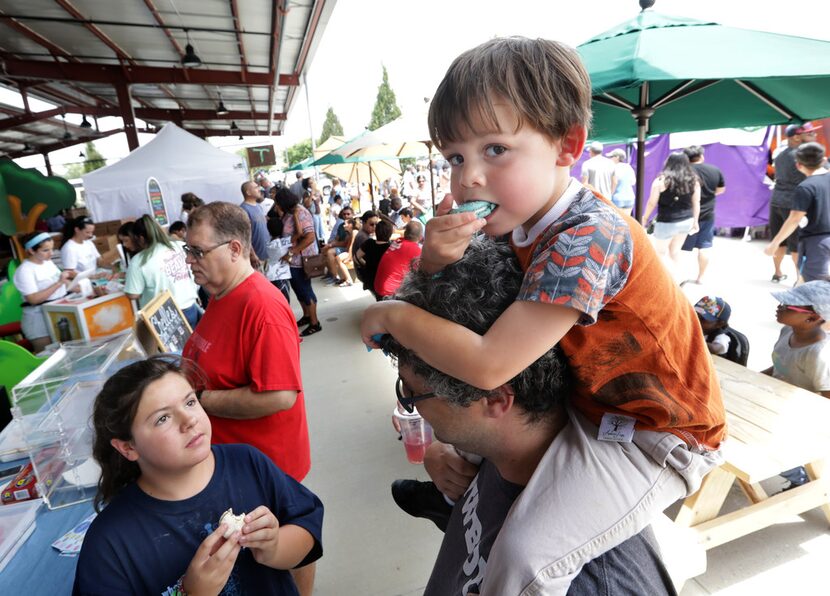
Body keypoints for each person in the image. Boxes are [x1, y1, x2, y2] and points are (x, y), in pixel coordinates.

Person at [361, 36, 723, 594]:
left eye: (495, 150)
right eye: (456, 157)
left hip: (657, 436)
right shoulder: (522, 222)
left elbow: (490, 365)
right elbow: (468, 306)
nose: (469, 178)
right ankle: (456, 499)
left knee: (524, 557)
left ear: (566, 146)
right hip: (591, 404)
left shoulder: (587, 237)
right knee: (474, 445)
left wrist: (393, 313)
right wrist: (433, 261)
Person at [381, 237, 676, 595]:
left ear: (494, 400)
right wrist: (443, 455)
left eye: (412, 394)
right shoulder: (504, 446)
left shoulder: (591, 581)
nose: (407, 407)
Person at [73, 356, 323, 595]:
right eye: (162, 419)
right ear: (128, 447)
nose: (189, 420)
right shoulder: (110, 542)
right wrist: (191, 593)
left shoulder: (246, 462)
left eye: (190, 402)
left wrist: (275, 547)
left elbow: (306, 530)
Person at [181, 201, 317, 593]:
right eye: (188, 251)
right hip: (236, 460)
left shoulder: (261, 305)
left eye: (198, 251)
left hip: (267, 465)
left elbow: (278, 396)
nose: (191, 261)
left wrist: (199, 401)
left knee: (285, 548)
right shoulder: (220, 295)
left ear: (235, 249)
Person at [762, 281, 830, 487]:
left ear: (813, 317)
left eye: (788, 305)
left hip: (798, 417)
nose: (780, 306)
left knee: (766, 448)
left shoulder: (819, 354)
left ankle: (801, 481)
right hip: (775, 403)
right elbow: (780, 366)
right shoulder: (787, 332)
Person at [764, 142, 830, 282]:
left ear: (798, 165)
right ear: (823, 160)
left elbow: (794, 219)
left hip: (816, 241)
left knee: (812, 285)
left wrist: (775, 243)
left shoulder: (805, 187)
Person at [124, 215, 201, 329]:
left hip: (163, 317)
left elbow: (133, 294)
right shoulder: (179, 246)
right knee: (192, 346)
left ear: (140, 238)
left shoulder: (138, 261)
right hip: (190, 307)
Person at [641, 152, 701, 273]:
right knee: (675, 251)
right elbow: (696, 202)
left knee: (660, 253)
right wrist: (695, 221)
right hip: (686, 221)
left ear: (668, 163)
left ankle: (661, 279)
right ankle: (678, 276)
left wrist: (645, 217)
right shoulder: (693, 181)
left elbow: (652, 202)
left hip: (666, 222)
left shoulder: (661, 181)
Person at [12, 232, 72, 352]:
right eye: (45, 250)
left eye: (52, 249)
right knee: (47, 357)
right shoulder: (25, 270)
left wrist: (79, 285)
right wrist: (59, 283)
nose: (51, 253)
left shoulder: (48, 263)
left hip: (56, 315)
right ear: (31, 250)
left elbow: (62, 284)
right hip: (38, 322)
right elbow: (33, 299)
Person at [274, 187, 322, 337]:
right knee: (298, 290)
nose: (276, 205)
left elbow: (310, 237)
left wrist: (292, 252)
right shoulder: (290, 213)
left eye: (277, 202)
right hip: (293, 261)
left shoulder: (301, 213)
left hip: (301, 260)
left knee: (305, 290)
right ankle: (307, 316)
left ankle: (315, 323)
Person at [681, 145, 726, 285]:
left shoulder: (683, 172)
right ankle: (701, 277)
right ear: (701, 156)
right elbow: (720, 190)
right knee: (704, 246)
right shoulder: (714, 170)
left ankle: (681, 276)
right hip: (707, 214)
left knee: (681, 248)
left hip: (686, 214)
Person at [693, 296, 748, 366]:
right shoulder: (695, 327)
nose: (697, 320)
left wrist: (695, 343)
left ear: (719, 324)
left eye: (702, 319)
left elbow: (716, 348)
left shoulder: (721, 337)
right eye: (695, 315)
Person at [373, 220, 423, 299]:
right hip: (390, 294)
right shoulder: (415, 249)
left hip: (378, 288)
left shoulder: (398, 241)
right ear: (420, 237)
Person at [355, 219, 393, 300]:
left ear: (376, 231)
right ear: (390, 233)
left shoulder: (369, 243)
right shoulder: (391, 248)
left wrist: (366, 264)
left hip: (369, 279)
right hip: (383, 281)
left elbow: (356, 258)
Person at [240, 180, 270, 263]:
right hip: (257, 258)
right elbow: (244, 235)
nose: (259, 189)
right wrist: (252, 254)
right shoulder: (243, 210)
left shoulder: (258, 206)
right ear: (248, 192)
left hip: (266, 254)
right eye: (256, 187)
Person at [266, 216, 292, 304]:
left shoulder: (269, 244)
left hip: (271, 276)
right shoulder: (284, 242)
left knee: (278, 303)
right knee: (285, 302)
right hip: (281, 277)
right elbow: (299, 234)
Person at [607, 148, 636, 213]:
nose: (609, 159)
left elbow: (614, 182)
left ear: (617, 157)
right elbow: (633, 182)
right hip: (630, 198)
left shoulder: (614, 168)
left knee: (617, 221)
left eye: (611, 157)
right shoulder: (629, 167)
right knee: (626, 221)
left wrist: (609, 195)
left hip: (617, 199)